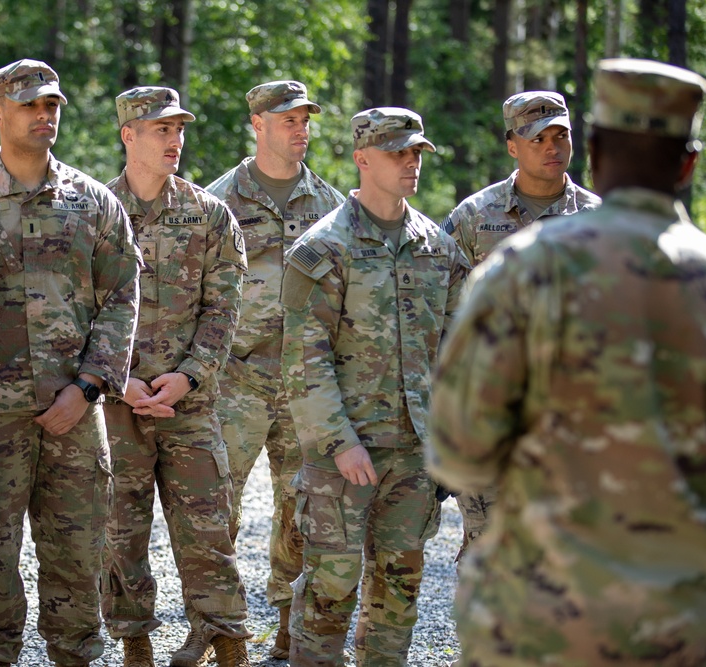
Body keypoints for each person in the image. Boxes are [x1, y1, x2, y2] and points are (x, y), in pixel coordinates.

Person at [428, 59, 706, 666]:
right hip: (673, 619)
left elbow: (458, 446)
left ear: (595, 151)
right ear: (689, 163)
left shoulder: (520, 268)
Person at [0, 59, 141, 667]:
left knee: (77, 563)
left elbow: (122, 295)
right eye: (29, 105)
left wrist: (88, 386)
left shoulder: (94, 202)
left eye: (51, 105)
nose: (43, 115)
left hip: (73, 417)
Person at [281, 107, 469, 666]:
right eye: (397, 153)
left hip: (413, 456)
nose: (411, 163)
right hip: (345, 453)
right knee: (331, 589)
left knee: (398, 597)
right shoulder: (324, 248)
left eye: (416, 153)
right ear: (363, 159)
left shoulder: (439, 248)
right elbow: (302, 359)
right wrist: (339, 442)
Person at [101, 86, 250, 667]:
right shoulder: (95, 211)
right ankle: (133, 639)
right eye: (161, 129)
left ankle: (223, 637)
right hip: (117, 406)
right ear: (128, 135)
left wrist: (189, 376)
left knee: (208, 526)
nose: (175, 140)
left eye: (179, 129)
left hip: (188, 403)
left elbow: (224, 307)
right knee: (122, 529)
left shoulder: (209, 214)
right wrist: (120, 380)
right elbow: (79, 310)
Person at [206, 80, 344, 659]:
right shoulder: (216, 201)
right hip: (236, 377)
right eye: (287, 119)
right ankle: (218, 628)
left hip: (305, 383)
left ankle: (290, 627)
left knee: (304, 509)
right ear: (258, 125)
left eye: (305, 118)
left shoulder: (333, 205)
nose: (300, 128)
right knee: (216, 510)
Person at [441, 91, 601, 561]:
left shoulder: (599, 220)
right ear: (512, 145)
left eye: (561, 136)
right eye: (537, 139)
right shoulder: (474, 219)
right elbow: (440, 316)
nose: (552, 148)